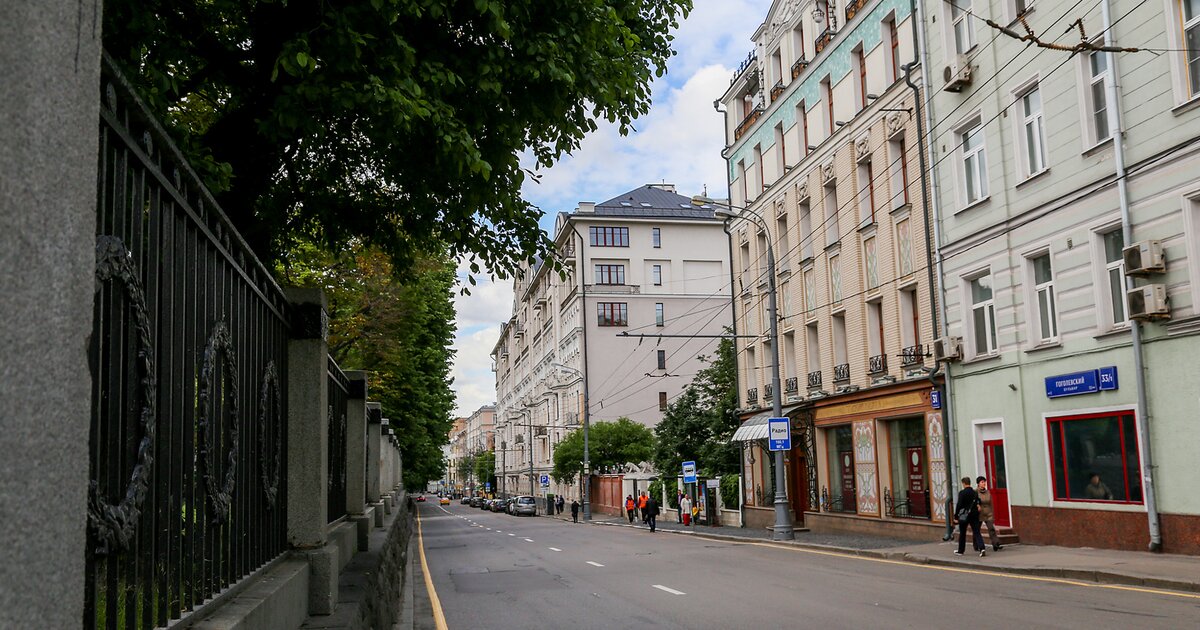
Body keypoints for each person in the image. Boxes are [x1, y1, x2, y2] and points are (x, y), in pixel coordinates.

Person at [955, 476, 985, 557]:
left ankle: (961, 550)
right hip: (974, 514)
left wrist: (956, 516)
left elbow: (959, 505)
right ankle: (982, 548)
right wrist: (978, 505)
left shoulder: (962, 493)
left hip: (964, 515)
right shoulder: (974, 492)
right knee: (977, 532)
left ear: (963, 483)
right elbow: (978, 500)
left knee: (963, 533)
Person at [976, 476, 1002, 552]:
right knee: (977, 530)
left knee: (991, 528)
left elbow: (990, 503)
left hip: (988, 513)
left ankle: (996, 544)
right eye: (982, 482)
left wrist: (992, 513)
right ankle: (976, 545)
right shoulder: (975, 492)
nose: (984, 484)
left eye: (984, 482)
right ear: (978, 484)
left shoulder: (988, 492)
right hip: (979, 514)